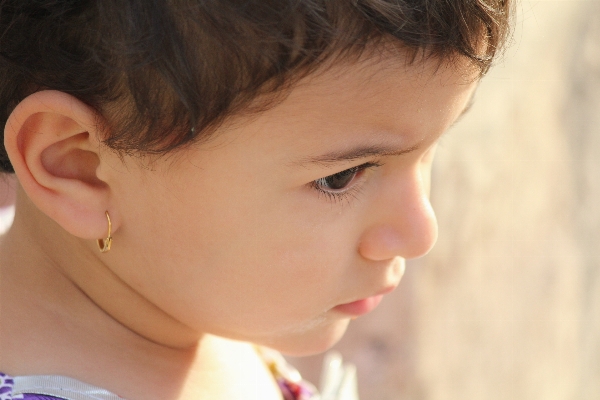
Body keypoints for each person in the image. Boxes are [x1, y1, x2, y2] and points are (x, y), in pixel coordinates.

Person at [0, 1, 512, 399]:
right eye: (341, 177)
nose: (421, 232)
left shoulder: (182, 300)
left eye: (432, 149)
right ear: (80, 168)